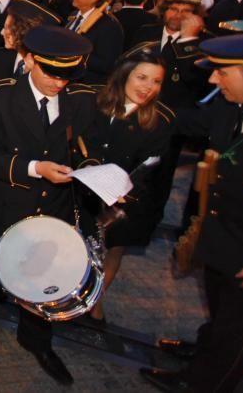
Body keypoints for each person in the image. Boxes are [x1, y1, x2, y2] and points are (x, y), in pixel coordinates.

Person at [0, 25, 96, 386]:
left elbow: (88, 149)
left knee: (42, 279)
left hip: (51, 211)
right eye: (50, 73)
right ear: (28, 61)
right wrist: (34, 169)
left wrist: (91, 172)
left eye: (66, 75)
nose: (59, 83)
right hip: (4, 205)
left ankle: (38, 341)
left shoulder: (80, 100)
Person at [141, 35, 243, 393]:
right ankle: (192, 373)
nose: (213, 80)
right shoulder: (233, 106)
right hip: (221, 245)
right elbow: (188, 123)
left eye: (221, 73)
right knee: (218, 323)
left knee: (234, 344)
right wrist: (135, 103)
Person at [79, 46, 172, 325]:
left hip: (122, 201)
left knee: (112, 250)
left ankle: (94, 304)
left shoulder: (160, 122)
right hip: (82, 191)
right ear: (124, 75)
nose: (148, 87)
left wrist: (121, 197)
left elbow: (151, 172)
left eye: (156, 81)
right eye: (142, 77)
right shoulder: (93, 100)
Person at [66, 0, 124, 84]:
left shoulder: (108, 25)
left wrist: (73, 51)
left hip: (87, 86)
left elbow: (107, 64)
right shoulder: (73, 16)